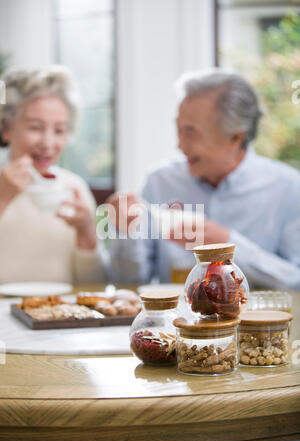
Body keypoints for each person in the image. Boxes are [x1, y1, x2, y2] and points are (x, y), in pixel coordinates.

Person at [107, 68, 300, 291]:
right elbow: (128, 284)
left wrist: (230, 247)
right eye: (178, 130)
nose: (179, 146)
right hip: (176, 324)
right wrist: (125, 232)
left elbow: (296, 281)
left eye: (191, 133)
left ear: (236, 137)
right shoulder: (160, 181)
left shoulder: (288, 189)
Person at [0, 65, 107, 284]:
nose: (48, 143)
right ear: (6, 128)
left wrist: (86, 232)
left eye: (59, 130)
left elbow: (94, 286)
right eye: (35, 127)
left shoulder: (74, 188)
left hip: (58, 316)